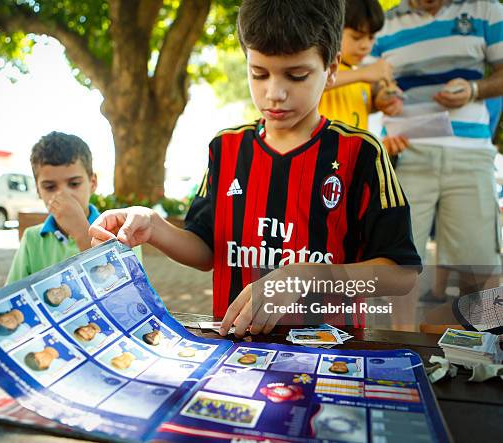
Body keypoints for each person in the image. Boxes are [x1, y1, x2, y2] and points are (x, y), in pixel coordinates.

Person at [89, 0, 420, 337]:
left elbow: (402, 272)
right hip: (235, 353)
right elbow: (206, 249)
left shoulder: (360, 152)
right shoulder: (226, 148)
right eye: (258, 73)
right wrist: (153, 225)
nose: (274, 93)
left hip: (330, 356)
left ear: (331, 68)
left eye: (296, 75)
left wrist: (307, 275)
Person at [372, 0, 503, 300]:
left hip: (470, 155)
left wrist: (474, 90)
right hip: (405, 155)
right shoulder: (384, 23)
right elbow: (371, 86)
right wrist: (382, 96)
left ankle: (478, 346)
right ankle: (396, 346)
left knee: (479, 271)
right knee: (393, 270)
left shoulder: (486, 9)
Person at [6, 132, 99, 284]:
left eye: (74, 184)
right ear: (38, 190)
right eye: (50, 187)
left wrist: (82, 232)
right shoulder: (32, 239)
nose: (63, 195)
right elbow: (11, 298)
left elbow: (128, 296)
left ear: (93, 183)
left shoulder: (119, 232)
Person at [319, 0, 409, 153]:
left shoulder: (359, 77)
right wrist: (363, 73)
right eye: (356, 37)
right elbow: (311, 84)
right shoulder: (321, 66)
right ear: (332, 29)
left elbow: (356, 106)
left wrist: (383, 101)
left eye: (371, 37)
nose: (365, 46)